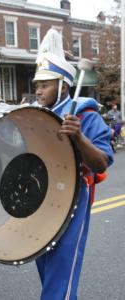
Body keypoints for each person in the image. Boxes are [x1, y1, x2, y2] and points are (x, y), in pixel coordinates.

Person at [33, 29, 114, 300]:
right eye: (37, 85)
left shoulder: (86, 115)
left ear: (63, 85)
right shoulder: (35, 114)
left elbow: (101, 162)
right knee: (46, 267)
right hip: (40, 198)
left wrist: (78, 136)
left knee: (61, 276)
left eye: (45, 84)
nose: (38, 90)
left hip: (72, 199)